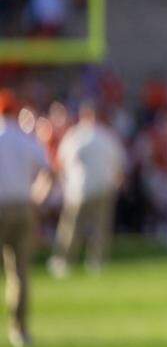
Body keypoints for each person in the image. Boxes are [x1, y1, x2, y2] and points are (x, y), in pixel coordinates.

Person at [49, 101, 127, 278]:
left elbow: (60, 162)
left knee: (72, 228)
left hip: (80, 188)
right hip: (101, 188)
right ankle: (96, 262)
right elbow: (120, 164)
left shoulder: (75, 136)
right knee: (97, 228)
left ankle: (64, 262)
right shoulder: (106, 135)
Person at [0, 91, 52, 347]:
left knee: (17, 273)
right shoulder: (24, 138)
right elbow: (48, 171)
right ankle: (19, 331)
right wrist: (37, 198)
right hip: (22, 208)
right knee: (20, 274)